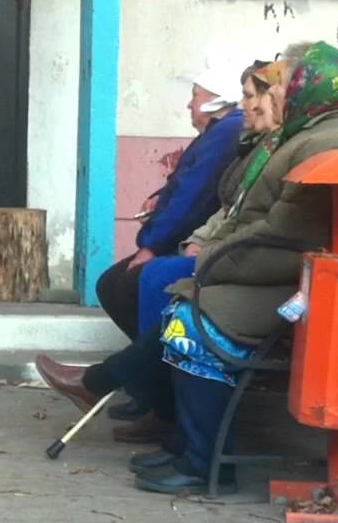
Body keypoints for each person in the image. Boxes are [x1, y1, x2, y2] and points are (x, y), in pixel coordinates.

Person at [133, 41, 338, 494]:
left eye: (284, 84)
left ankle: (204, 466)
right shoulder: (323, 129)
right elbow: (276, 232)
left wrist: (211, 264)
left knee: (193, 323)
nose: (275, 94)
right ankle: (187, 448)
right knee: (182, 309)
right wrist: (212, 262)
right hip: (320, 276)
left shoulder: (329, 140)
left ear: (311, 87)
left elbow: (281, 236)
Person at [42, 62, 269, 448]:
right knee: (129, 282)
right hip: (228, 253)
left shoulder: (238, 135)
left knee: (153, 281)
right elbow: (227, 210)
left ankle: (154, 403)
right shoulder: (252, 140)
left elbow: (229, 211)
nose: (244, 106)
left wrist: (175, 245)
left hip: (248, 268)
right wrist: (195, 236)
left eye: (251, 97)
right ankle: (146, 393)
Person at [94, 65, 246, 342]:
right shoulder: (219, 131)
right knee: (112, 283)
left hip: (201, 244)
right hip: (194, 240)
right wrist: (160, 198)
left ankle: (153, 360)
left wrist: (151, 245)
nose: (190, 104)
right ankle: (143, 357)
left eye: (195, 95)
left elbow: (191, 196)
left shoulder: (226, 131)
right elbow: (186, 184)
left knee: (134, 281)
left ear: (215, 100)